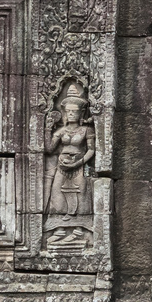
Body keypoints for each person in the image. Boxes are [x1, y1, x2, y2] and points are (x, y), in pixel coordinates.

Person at [44, 83, 95, 247]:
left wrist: (77, 164)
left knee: (81, 197)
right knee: (57, 197)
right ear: (65, 112)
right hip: (62, 166)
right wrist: (47, 128)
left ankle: (78, 231)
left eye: (75, 111)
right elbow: (50, 149)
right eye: (69, 111)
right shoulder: (61, 132)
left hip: (79, 166)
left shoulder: (86, 130)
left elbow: (91, 151)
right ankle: (59, 230)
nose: (72, 114)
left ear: (81, 112)